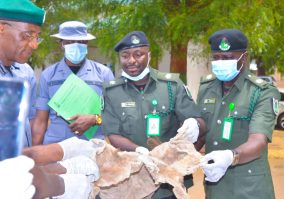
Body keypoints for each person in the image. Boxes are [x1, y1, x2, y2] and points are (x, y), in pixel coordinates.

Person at [101, 31, 206, 199]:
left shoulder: (171, 86)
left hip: (169, 180)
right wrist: (139, 150)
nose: (132, 61)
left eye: (138, 54)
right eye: (125, 56)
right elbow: (113, 134)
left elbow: (199, 122)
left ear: (148, 55)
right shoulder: (112, 91)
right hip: (132, 180)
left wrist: (195, 124)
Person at [198, 29, 279, 199]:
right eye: (217, 57)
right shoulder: (206, 89)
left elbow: (258, 141)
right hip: (215, 187)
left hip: (249, 189)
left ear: (244, 57)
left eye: (227, 58)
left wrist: (230, 156)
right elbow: (202, 134)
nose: (221, 62)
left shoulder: (262, 92)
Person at [32, 21, 114, 145]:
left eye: (81, 42)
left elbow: (116, 116)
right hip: (56, 147)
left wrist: (94, 119)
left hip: (92, 147)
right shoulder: (48, 75)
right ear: (61, 44)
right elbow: (40, 121)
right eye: (69, 42)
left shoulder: (103, 73)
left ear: (87, 43)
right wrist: (35, 155)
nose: (75, 46)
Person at [0, 0, 45, 147]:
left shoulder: (26, 73)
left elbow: (30, 120)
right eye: (27, 35)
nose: (34, 45)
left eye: (37, 37)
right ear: (1, 29)